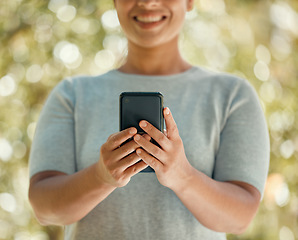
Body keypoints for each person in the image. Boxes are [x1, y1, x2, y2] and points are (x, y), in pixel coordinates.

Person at [28, 0, 270, 239]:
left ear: (189, 2)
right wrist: (100, 177)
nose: (148, 2)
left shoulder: (233, 96)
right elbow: (44, 209)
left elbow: (240, 218)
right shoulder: (72, 95)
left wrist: (183, 176)